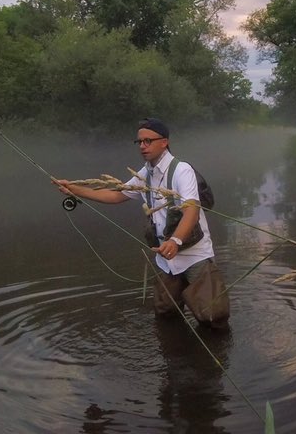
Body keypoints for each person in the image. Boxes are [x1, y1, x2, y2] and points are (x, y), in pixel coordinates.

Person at [53, 117, 231, 330]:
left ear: (164, 142)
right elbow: (116, 196)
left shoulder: (182, 170)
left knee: (213, 316)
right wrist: (74, 189)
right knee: (166, 313)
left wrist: (175, 241)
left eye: (148, 141)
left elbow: (192, 211)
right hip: (165, 257)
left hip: (195, 254)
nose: (143, 146)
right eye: (140, 142)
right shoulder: (145, 172)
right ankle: (175, 360)